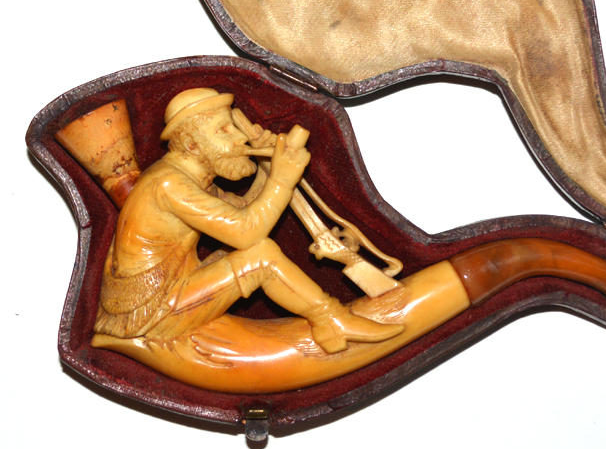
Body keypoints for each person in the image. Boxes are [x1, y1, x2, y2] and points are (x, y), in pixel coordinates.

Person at [93, 88, 403, 354]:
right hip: (148, 312)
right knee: (260, 257)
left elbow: (244, 211)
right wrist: (281, 181)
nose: (240, 136)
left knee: (247, 252)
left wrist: (269, 172)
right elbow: (246, 233)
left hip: (169, 289)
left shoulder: (187, 178)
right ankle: (331, 321)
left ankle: (331, 320)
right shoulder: (169, 185)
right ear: (191, 145)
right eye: (223, 130)